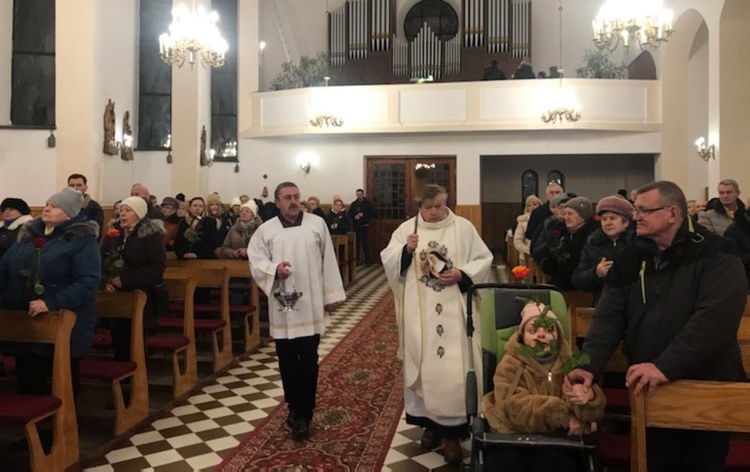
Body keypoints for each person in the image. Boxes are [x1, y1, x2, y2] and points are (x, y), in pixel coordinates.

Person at [567, 181, 747, 471]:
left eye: (643, 210)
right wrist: (587, 365)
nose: (635, 216)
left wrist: (664, 366)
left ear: (672, 213)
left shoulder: (718, 252)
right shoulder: (631, 256)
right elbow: (608, 318)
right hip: (650, 387)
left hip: (705, 384)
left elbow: (714, 323)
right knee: (656, 462)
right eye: (635, 209)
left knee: (703, 464)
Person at [380, 184, 492, 465]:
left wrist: (461, 273)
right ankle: (430, 424)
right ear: (419, 206)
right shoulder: (408, 229)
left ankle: (453, 435)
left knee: (453, 369)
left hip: (455, 310)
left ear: (446, 203)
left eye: (438, 205)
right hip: (421, 315)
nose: (433, 212)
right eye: (427, 207)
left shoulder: (463, 227)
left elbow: (484, 259)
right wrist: (406, 251)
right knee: (424, 365)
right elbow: (390, 260)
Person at [248, 182, 346, 441]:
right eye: (287, 197)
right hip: (283, 306)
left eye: (296, 196)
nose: (293, 201)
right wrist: (273, 270)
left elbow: (328, 260)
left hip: (311, 304)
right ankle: (294, 407)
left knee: (309, 359)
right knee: (287, 361)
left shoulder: (316, 224)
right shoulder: (266, 230)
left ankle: (305, 411)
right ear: (278, 202)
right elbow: (256, 260)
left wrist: (331, 294)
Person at [0, 187, 101, 397]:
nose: (47, 209)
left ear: (69, 213)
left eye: (55, 206)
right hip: (25, 323)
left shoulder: (82, 240)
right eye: (47, 204)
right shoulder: (29, 235)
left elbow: (87, 282)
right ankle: (32, 426)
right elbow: (5, 266)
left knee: (60, 381)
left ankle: (63, 425)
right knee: (28, 379)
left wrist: (51, 303)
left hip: (60, 320)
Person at [482, 302, 606, 472]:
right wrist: (563, 415)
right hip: (512, 435)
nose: (541, 335)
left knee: (564, 464)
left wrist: (588, 398)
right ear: (522, 336)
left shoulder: (570, 363)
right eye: (533, 330)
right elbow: (512, 406)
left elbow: (594, 413)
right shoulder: (510, 364)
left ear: (558, 336)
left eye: (549, 330)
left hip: (557, 439)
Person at [101, 196, 167, 362]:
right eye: (121, 210)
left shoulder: (150, 235)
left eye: (128, 210)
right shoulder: (113, 233)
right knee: (118, 337)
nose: (122, 214)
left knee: (135, 340)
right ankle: (121, 373)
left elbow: (156, 268)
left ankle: (137, 378)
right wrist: (106, 281)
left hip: (141, 294)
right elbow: (101, 259)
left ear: (138, 213)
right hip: (116, 296)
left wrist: (125, 280)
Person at [572, 195, 635, 306]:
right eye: (604, 219)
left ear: (625, 222)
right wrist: (596, 273)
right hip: (604, 304)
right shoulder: (592, 245)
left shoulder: (636, 244)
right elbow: (578, 279)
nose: (608, 223)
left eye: (613, 218)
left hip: (634, 304)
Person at [532, 197, 598, 290]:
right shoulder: (558, 230)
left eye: (570, 214)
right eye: (565, 213)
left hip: (585, 284)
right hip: (558, 282)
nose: (566, 217)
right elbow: (538, 251)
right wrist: (546, 261)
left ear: (583, 216)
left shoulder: (594, 234)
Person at [68, 173, 104, 238]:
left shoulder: (94, 207)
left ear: (85, 187)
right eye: (72, 185)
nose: (75, 188)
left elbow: (96, 232)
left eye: (79, 185)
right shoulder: (62, 205)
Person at [513, 195, 542, 265]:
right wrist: (527, 250)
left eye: (535, 204)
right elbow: (517, 240)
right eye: (529, 205)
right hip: (526, 256)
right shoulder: (522, 221)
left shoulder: (544, 219)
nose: (532, 207)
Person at [348, 189, 375, 264]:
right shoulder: (354, 204)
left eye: (360, 194)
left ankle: (367, 261)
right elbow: (349, 214)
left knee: (365, 243)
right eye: (357, 195)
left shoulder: (368, 204)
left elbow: (373, 213)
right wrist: (354, 216)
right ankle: (356, 261)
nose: (359, 196)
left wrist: (363, 215)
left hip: (364, 225)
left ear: (363, 194)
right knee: (356, 244)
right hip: (356, 226)